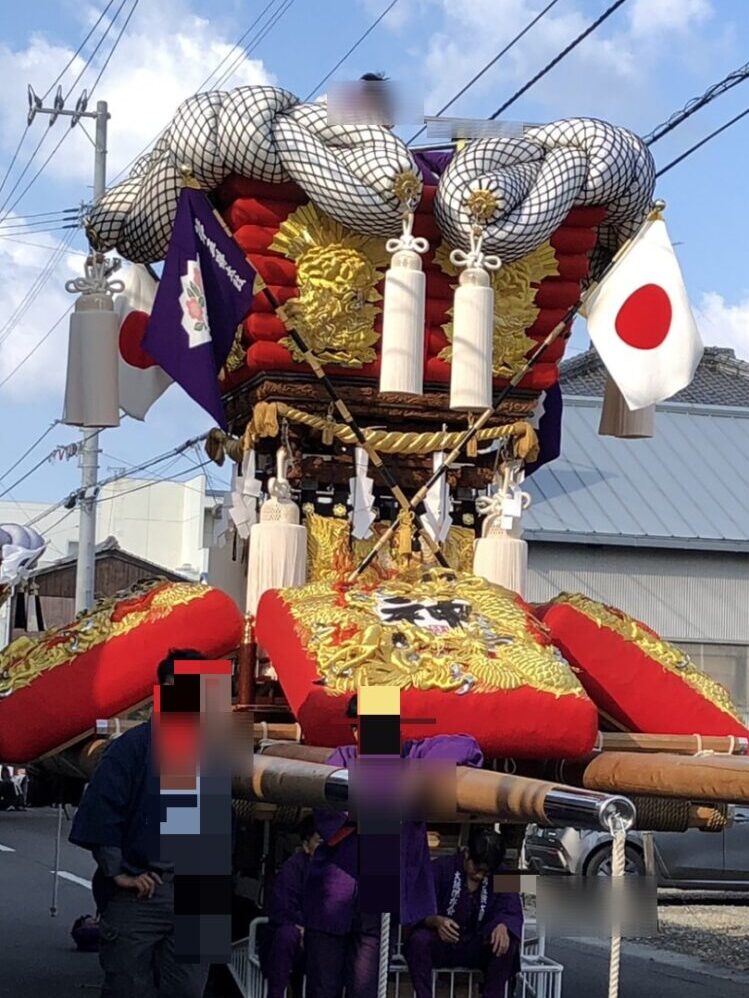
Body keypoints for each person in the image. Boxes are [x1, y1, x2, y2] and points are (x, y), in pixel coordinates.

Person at [302, 695, 483, 998]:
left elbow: (468, 746)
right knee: (324, 989)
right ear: (356, 732)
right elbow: (329, 811)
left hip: (378, 899)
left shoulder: (411, 757)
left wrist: (410, 776)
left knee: (367, 990)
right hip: (334, 894)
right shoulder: (343, 758)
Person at [69, 648, 211, 998]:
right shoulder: (130, 749)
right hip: (142, 895)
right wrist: (119, 872)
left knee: (188, 989)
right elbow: (102, 811)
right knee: (128, 988)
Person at [404, 827, 523, 998]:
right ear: (467, 854)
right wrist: (436, 921)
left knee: (507, 944)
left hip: (478, 942)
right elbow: (416, 905)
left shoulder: (505, 874)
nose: (480, 876)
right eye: (477, 869)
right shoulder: (440, 866)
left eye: (486, 872)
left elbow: (513, 909)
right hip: (442, 942)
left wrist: (504, 925)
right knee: (418, 941)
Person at [260, 816, 322, 998]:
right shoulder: (293, 867)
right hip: (291, 942)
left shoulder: (335, 867)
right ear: (305, 845)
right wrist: (303, 928)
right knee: (287, 934)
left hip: (320, 939)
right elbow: (282, 906)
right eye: (320, 841)